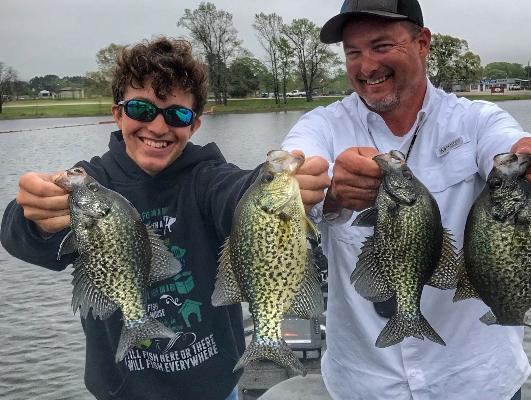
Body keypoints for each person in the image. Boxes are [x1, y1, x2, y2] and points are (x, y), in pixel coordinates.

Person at [0, 37, 330, 400]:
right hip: (121, 392)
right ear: (117, 113)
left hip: (215, 389)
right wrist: (33, 219)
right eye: (142, 109)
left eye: (177, 115)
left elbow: (236, 192)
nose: (158, 127)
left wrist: (271, 184)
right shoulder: (91, 186)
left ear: (195, 125)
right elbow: (23, 240)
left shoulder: (206, 177)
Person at [282, 1, 531, 399]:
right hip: (364, 385)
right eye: (353, 52)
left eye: (381, 46)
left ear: (422, 43)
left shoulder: (476, 120)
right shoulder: (322, 125)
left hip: (477, 382)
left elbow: (512, 149)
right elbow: (295, 169)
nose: (366, 66)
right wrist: (326, 191)